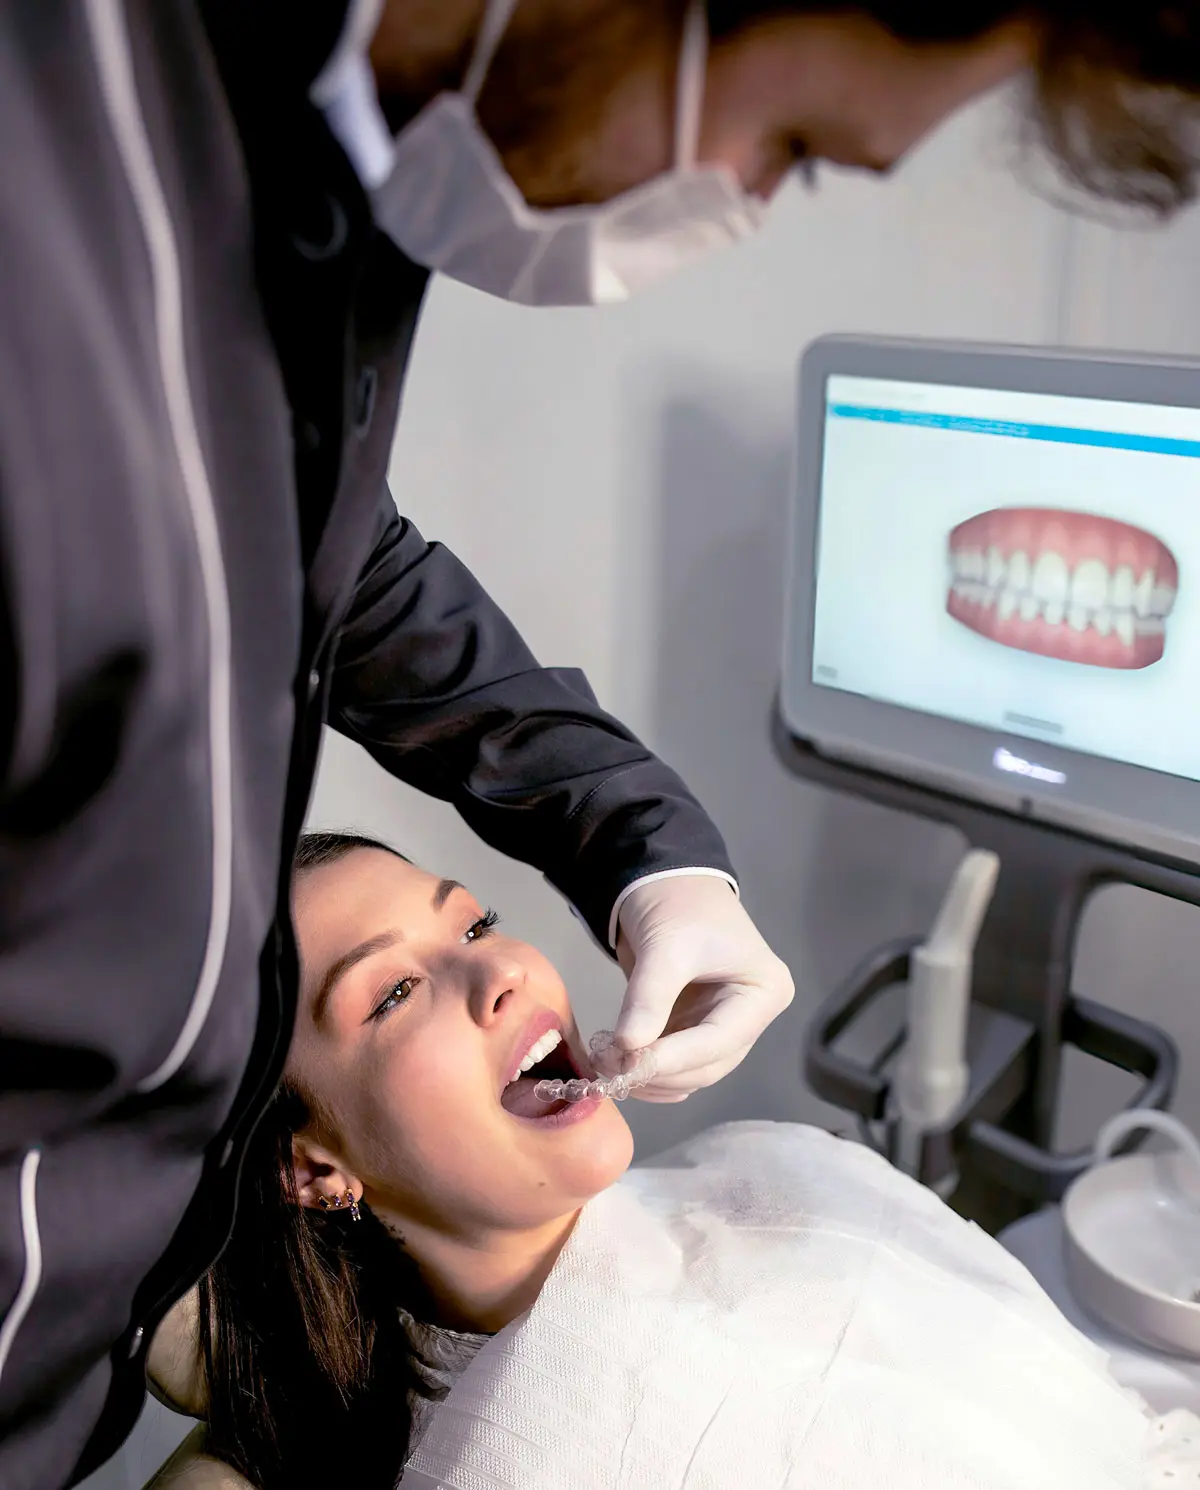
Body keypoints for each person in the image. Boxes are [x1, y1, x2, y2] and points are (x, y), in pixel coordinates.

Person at [3, 2, 1200, 1486]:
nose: (749, 200)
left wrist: (653, 857)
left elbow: (341, 562)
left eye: (474, 920)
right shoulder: (49, 191)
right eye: (794, 144)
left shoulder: (299, 198)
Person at [143, 830, 1200, 1490]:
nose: (501, 970)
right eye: (394, 993)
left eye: (474, 923)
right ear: (311, 1166)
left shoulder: (775, 1164)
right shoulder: (487, 1460)